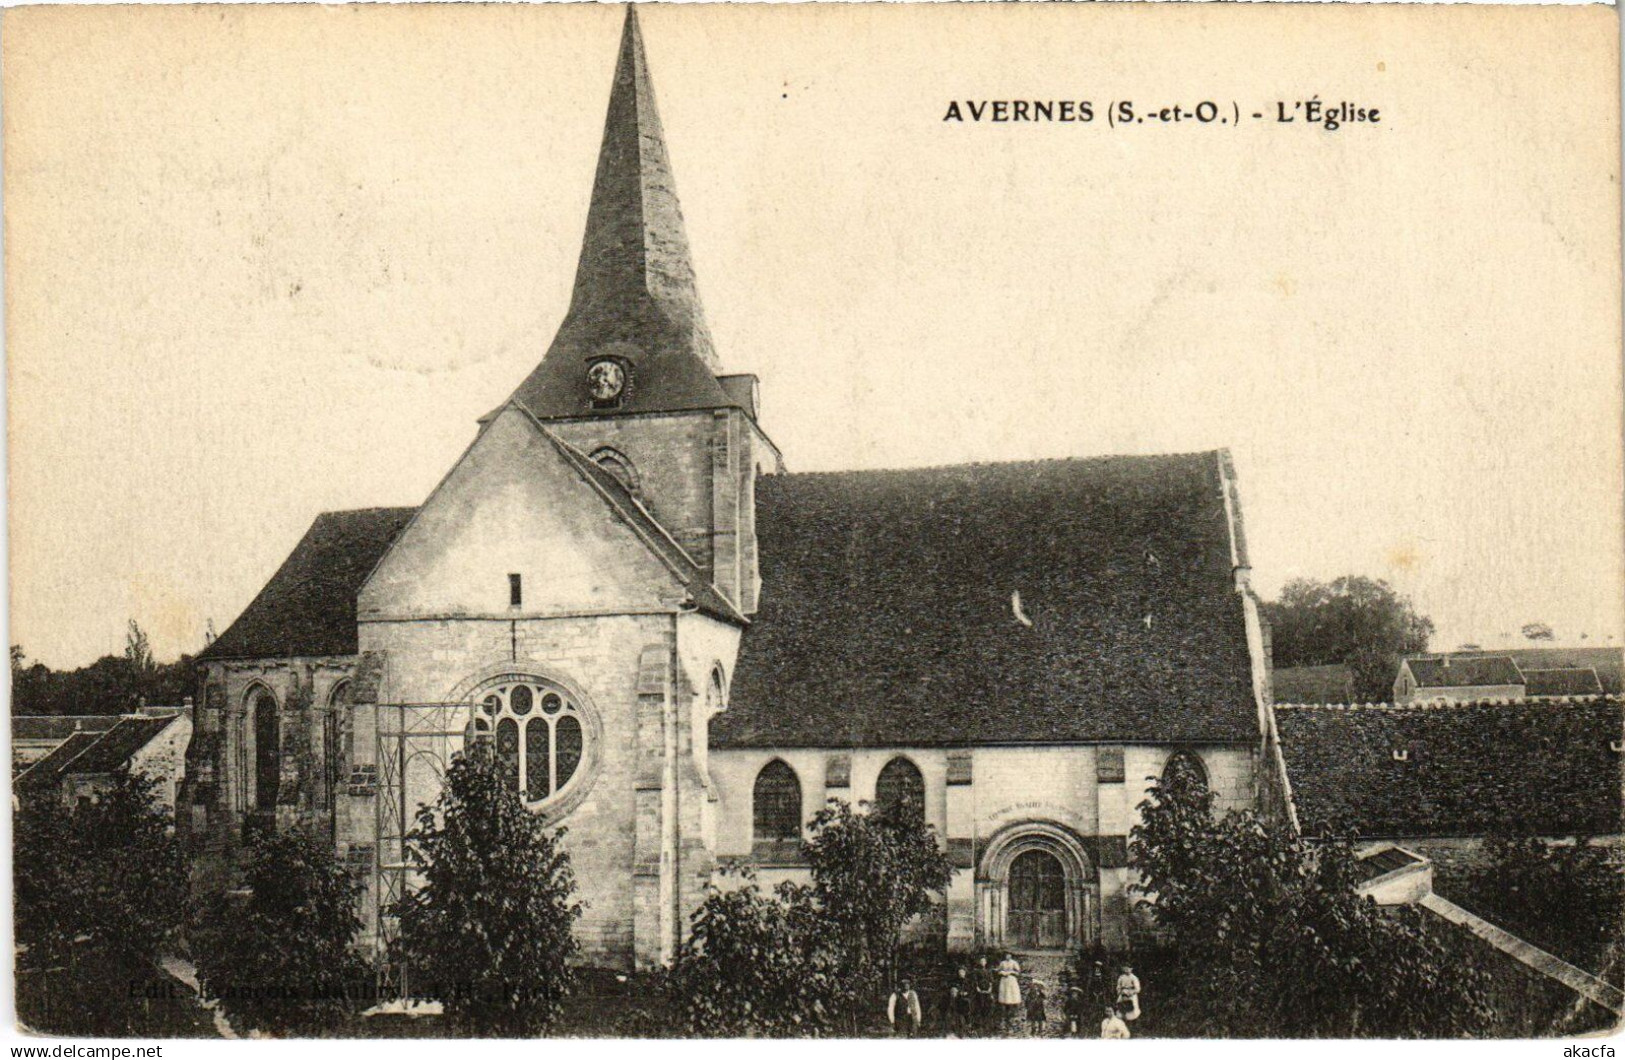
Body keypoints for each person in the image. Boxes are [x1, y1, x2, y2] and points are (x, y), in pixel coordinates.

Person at [943, 965, 973, 1038]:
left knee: (966, 1003)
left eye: (962, 972)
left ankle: (968, 1024)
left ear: (965, 973)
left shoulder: (968, 981)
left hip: (965, 999)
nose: (961, 973)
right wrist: (956, 991)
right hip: (956, 998)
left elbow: (970, 990)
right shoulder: (955, 981)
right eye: (960, 972)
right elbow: (951, 988)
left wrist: (966, 993)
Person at [996, 953, 1023, 1031]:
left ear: (1011, 956)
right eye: (1006, 955)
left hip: (1011, 980)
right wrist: (1002, 973)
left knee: (1011, 996)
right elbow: (998, 971)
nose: (1007, 956)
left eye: (1009, 955)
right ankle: (1004, 1018)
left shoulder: (1014, 963)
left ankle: (1011, 1016)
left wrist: (1012, 972)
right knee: (1004, 996)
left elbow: (1018, 972)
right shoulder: (1002, 963)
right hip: (1004, 981)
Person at [972, 956, 995, 1036]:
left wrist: (990, 988)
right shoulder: (977, 971)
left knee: (988, 1005)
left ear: (986, 962)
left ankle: (987, 1024)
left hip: (987, 990)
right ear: (979, 962)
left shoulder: (988, 971)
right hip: (980, 990)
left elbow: (991, 980)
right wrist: (977, 987)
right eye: (981, 961)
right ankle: (979, 1024)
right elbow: (975, 981)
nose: (982, 962)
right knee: (980, 1005)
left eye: (984, 961)